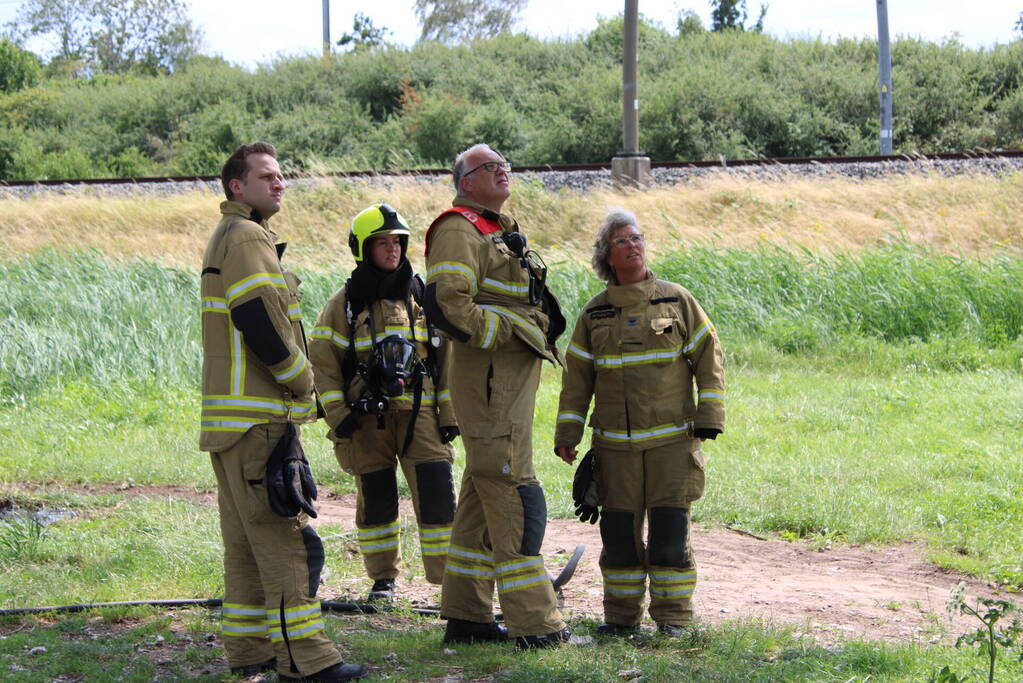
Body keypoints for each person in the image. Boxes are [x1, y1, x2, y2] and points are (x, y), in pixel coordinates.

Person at [199, 142, 366, 682]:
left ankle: (250, 651)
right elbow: (257, 317)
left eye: (280, 176)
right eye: (266, 177)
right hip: (259, 419)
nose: (279, 184)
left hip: (230, 423)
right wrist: (304, 380)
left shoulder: (230, 235)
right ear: (236, 187)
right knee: (285, 537)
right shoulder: (246, 236)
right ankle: (307, 661)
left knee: (246, 545)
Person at [423, 143, 573, 649]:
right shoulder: (457, 228)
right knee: (513, 489)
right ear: (465, 182)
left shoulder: (494, 229)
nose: (503, 170)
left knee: (481, 489)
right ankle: (537, 625)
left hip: (503, 381)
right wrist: (511, 333)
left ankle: (467, 617)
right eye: (490, 167)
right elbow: (450, 306)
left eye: (505, 163)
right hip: (491, 381)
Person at [553, 208, 725, 637]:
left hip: (672, 445)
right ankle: (621, 620)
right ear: (607, 256)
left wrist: (710, 416)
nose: (634, 245)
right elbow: (576, 380)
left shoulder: (676, 299)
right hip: (615, 450)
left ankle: (674, 620)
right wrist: (567, 435)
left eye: (637, 238)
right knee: (619, 539)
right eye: (623, 241)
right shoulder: (594, 315)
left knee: (670, 533)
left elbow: (710, 356)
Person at [309, 203, 459, 603]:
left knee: (437, 494)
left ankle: (450, 585)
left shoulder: (422, 297)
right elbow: (323, 362)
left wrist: (449, 416)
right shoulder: (344, 303)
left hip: (421, 416)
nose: (392, 249)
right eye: (382, 242)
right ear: (363, 248)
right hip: (366, 421)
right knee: (375, 498)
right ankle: (383, 582)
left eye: (397, 241)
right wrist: (339, 415)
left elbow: (446, 361)